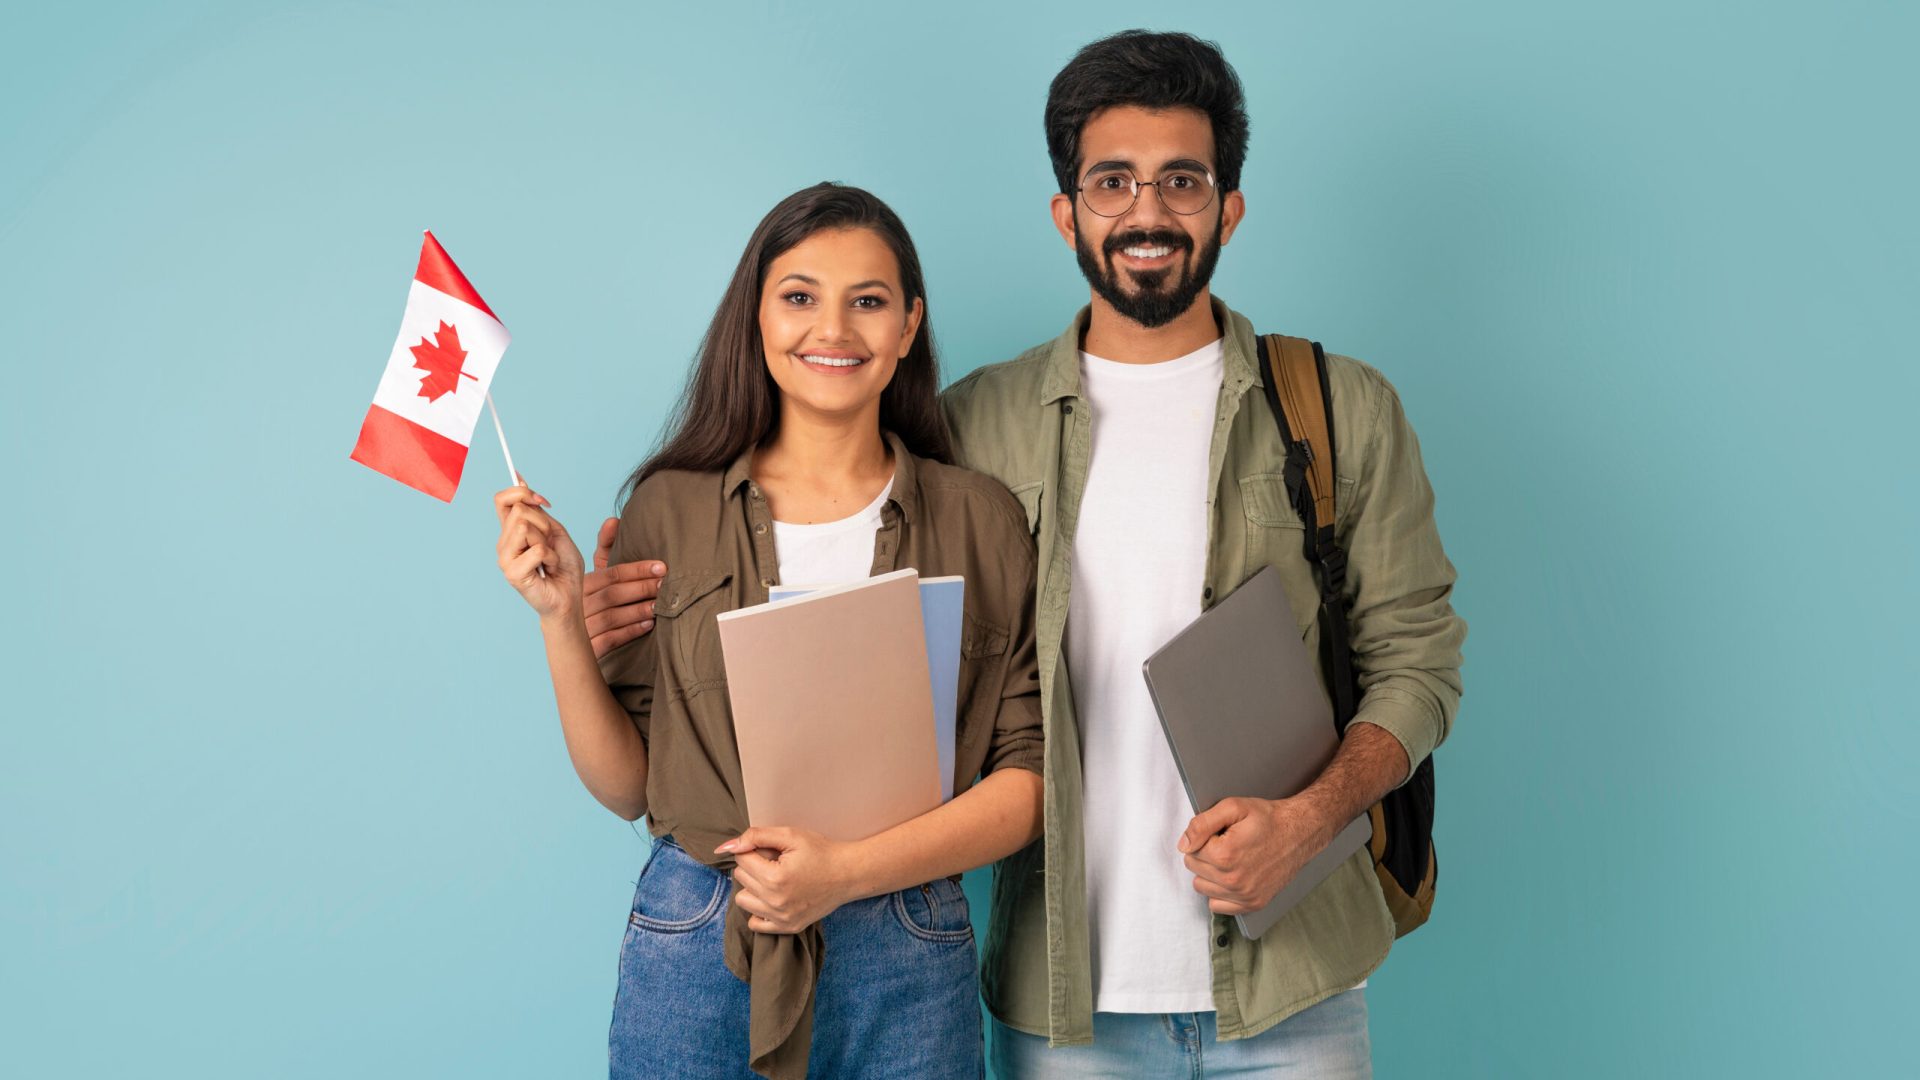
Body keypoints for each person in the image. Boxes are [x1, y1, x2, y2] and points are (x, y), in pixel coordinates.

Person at [585, 31, 1466, 1078]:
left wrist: (1312, 815)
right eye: (1112, 182)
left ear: (1228, 208)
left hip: (1297, 982)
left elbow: (1419, 662)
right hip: (1062, 1005)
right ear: (1068, 215)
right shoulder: (973, 429)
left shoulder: (1339, 411)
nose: (1147, 212)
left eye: (1182, 181)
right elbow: (837, 586)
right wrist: (617, 610)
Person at [493, 182, 1043, 1080]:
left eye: (866, 301)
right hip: (700, 932)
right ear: (756, 317)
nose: (833, 329)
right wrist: (561, 622)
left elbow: (1029, 780)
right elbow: (631, 787)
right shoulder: (667, 510)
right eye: (799, 297)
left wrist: (847, 872)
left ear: (908, 327)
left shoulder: (980, 518)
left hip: (905, 940)